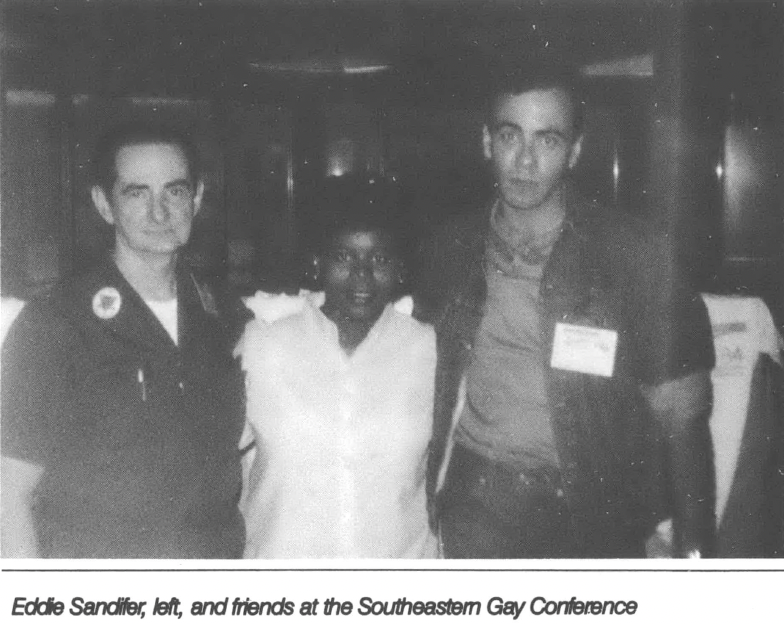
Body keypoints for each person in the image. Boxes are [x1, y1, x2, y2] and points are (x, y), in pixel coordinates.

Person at [416, 63, 716, 558]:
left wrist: (697, 555)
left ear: (575, 151)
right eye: (510, 135)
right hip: (477, 505)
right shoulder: (451, 247)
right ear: (487, 142)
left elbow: (682, 418)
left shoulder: (633, 256)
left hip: (594, 514)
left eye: (548, 140)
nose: (526, 161)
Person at [1, 123, 245, 558]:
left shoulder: (224, 318)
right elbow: (8, 494)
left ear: (198, 198)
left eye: (174, 191)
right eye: (136, 193)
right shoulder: (55, 324)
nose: (159, 212)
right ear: (104, 204)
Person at [235, 178, 439, 558]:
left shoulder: (429, 350)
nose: (362, 276)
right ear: (317, 264)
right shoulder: (262, 345)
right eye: (344, 258)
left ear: (399, 269)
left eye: (379, 260)